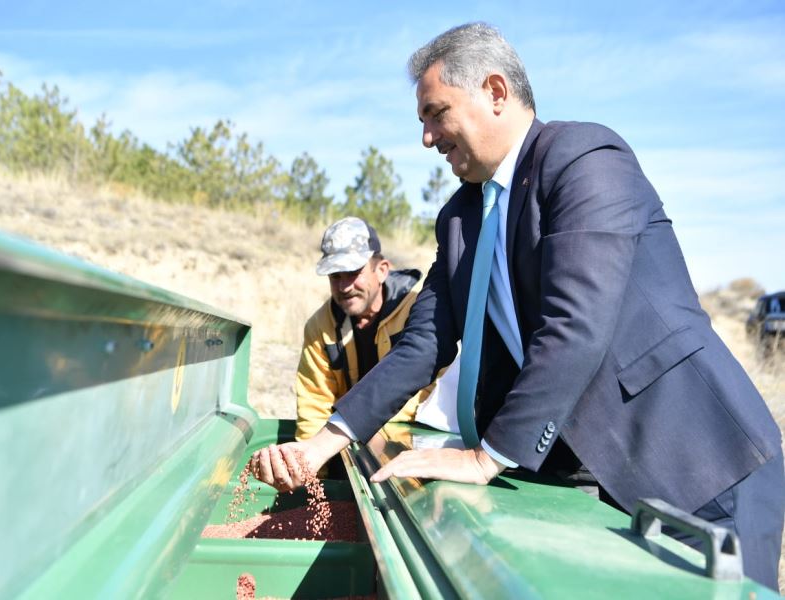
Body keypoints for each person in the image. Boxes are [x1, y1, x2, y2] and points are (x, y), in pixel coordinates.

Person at [252, 22, 784, 589]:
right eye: (423, 121)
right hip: (592, 484)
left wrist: (486, 458)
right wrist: (322, 445)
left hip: (696, 468)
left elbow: (575, 326)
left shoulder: (584, 159)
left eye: (436, 113)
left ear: (496, 92)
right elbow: (423, 345)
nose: (427, 139)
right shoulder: (461, 217)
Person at [295, 216, 441, 441]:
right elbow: (314, 404)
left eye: (353, 272)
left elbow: (435, 388)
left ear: (382, 270)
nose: (344, 287)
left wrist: (368, 425)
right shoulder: (320, 327)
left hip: (414, 439)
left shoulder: (417, 313)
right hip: (346, 441)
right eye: (335, 276)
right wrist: (307, 469)